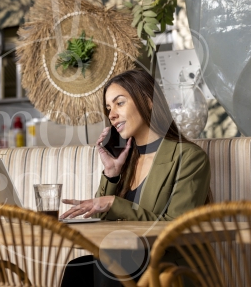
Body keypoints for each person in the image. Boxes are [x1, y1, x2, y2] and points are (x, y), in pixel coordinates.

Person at [59, 68, 211, 287]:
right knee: (78, 268)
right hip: (127, 261)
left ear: (148, 101)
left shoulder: (189, 157)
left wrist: (114, 203)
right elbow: (101, 225)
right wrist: (111, 175)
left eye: (119, 103)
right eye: (109, 107)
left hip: (170, 268)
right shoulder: (126, 161)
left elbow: (175, 230)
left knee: (112, 264)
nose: (111, 114)